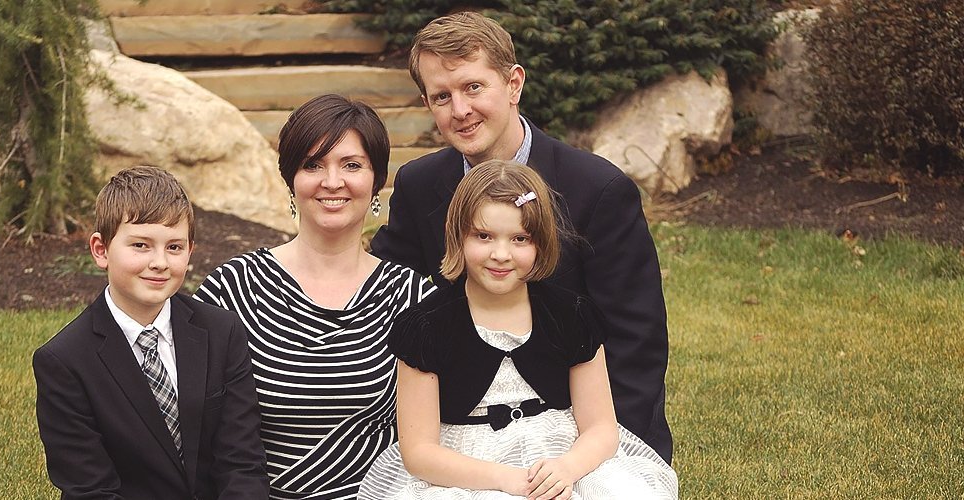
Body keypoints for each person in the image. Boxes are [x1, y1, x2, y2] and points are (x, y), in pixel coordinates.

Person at [369, 11, 673, 462]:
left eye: (474, 87)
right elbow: (386, 294)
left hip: (577, 429)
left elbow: (636, 343)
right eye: (441, 96)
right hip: (460, 430)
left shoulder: (598, 190)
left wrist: (615, 461)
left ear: (514, 84)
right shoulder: (418, 185)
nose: (460, 110)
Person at [359, 160, 676, 499]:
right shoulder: (426, 328)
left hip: (561, 460)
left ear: (540, 243)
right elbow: (419, 453)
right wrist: (506, 480)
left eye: (520, 239)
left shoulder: (572, 316)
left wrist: (567, 468)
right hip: (470, 472)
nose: (501, 254)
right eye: (483, 236)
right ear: (457, 236)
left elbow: (601, 428)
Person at [195, 94, 435, 499]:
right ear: (291, 179)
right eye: (313, 165)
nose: (332, 181)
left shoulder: (413, 298)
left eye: (352, 165)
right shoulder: (232, 288)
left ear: (377, 181)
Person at [33, 166, 269, 499]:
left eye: (174, 247)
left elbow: (241, 463)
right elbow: (90, 489)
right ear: (101, 250)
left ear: (190, 252)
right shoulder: (65, 361)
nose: (159, 262)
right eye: (141, 245)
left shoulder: (221, 332)